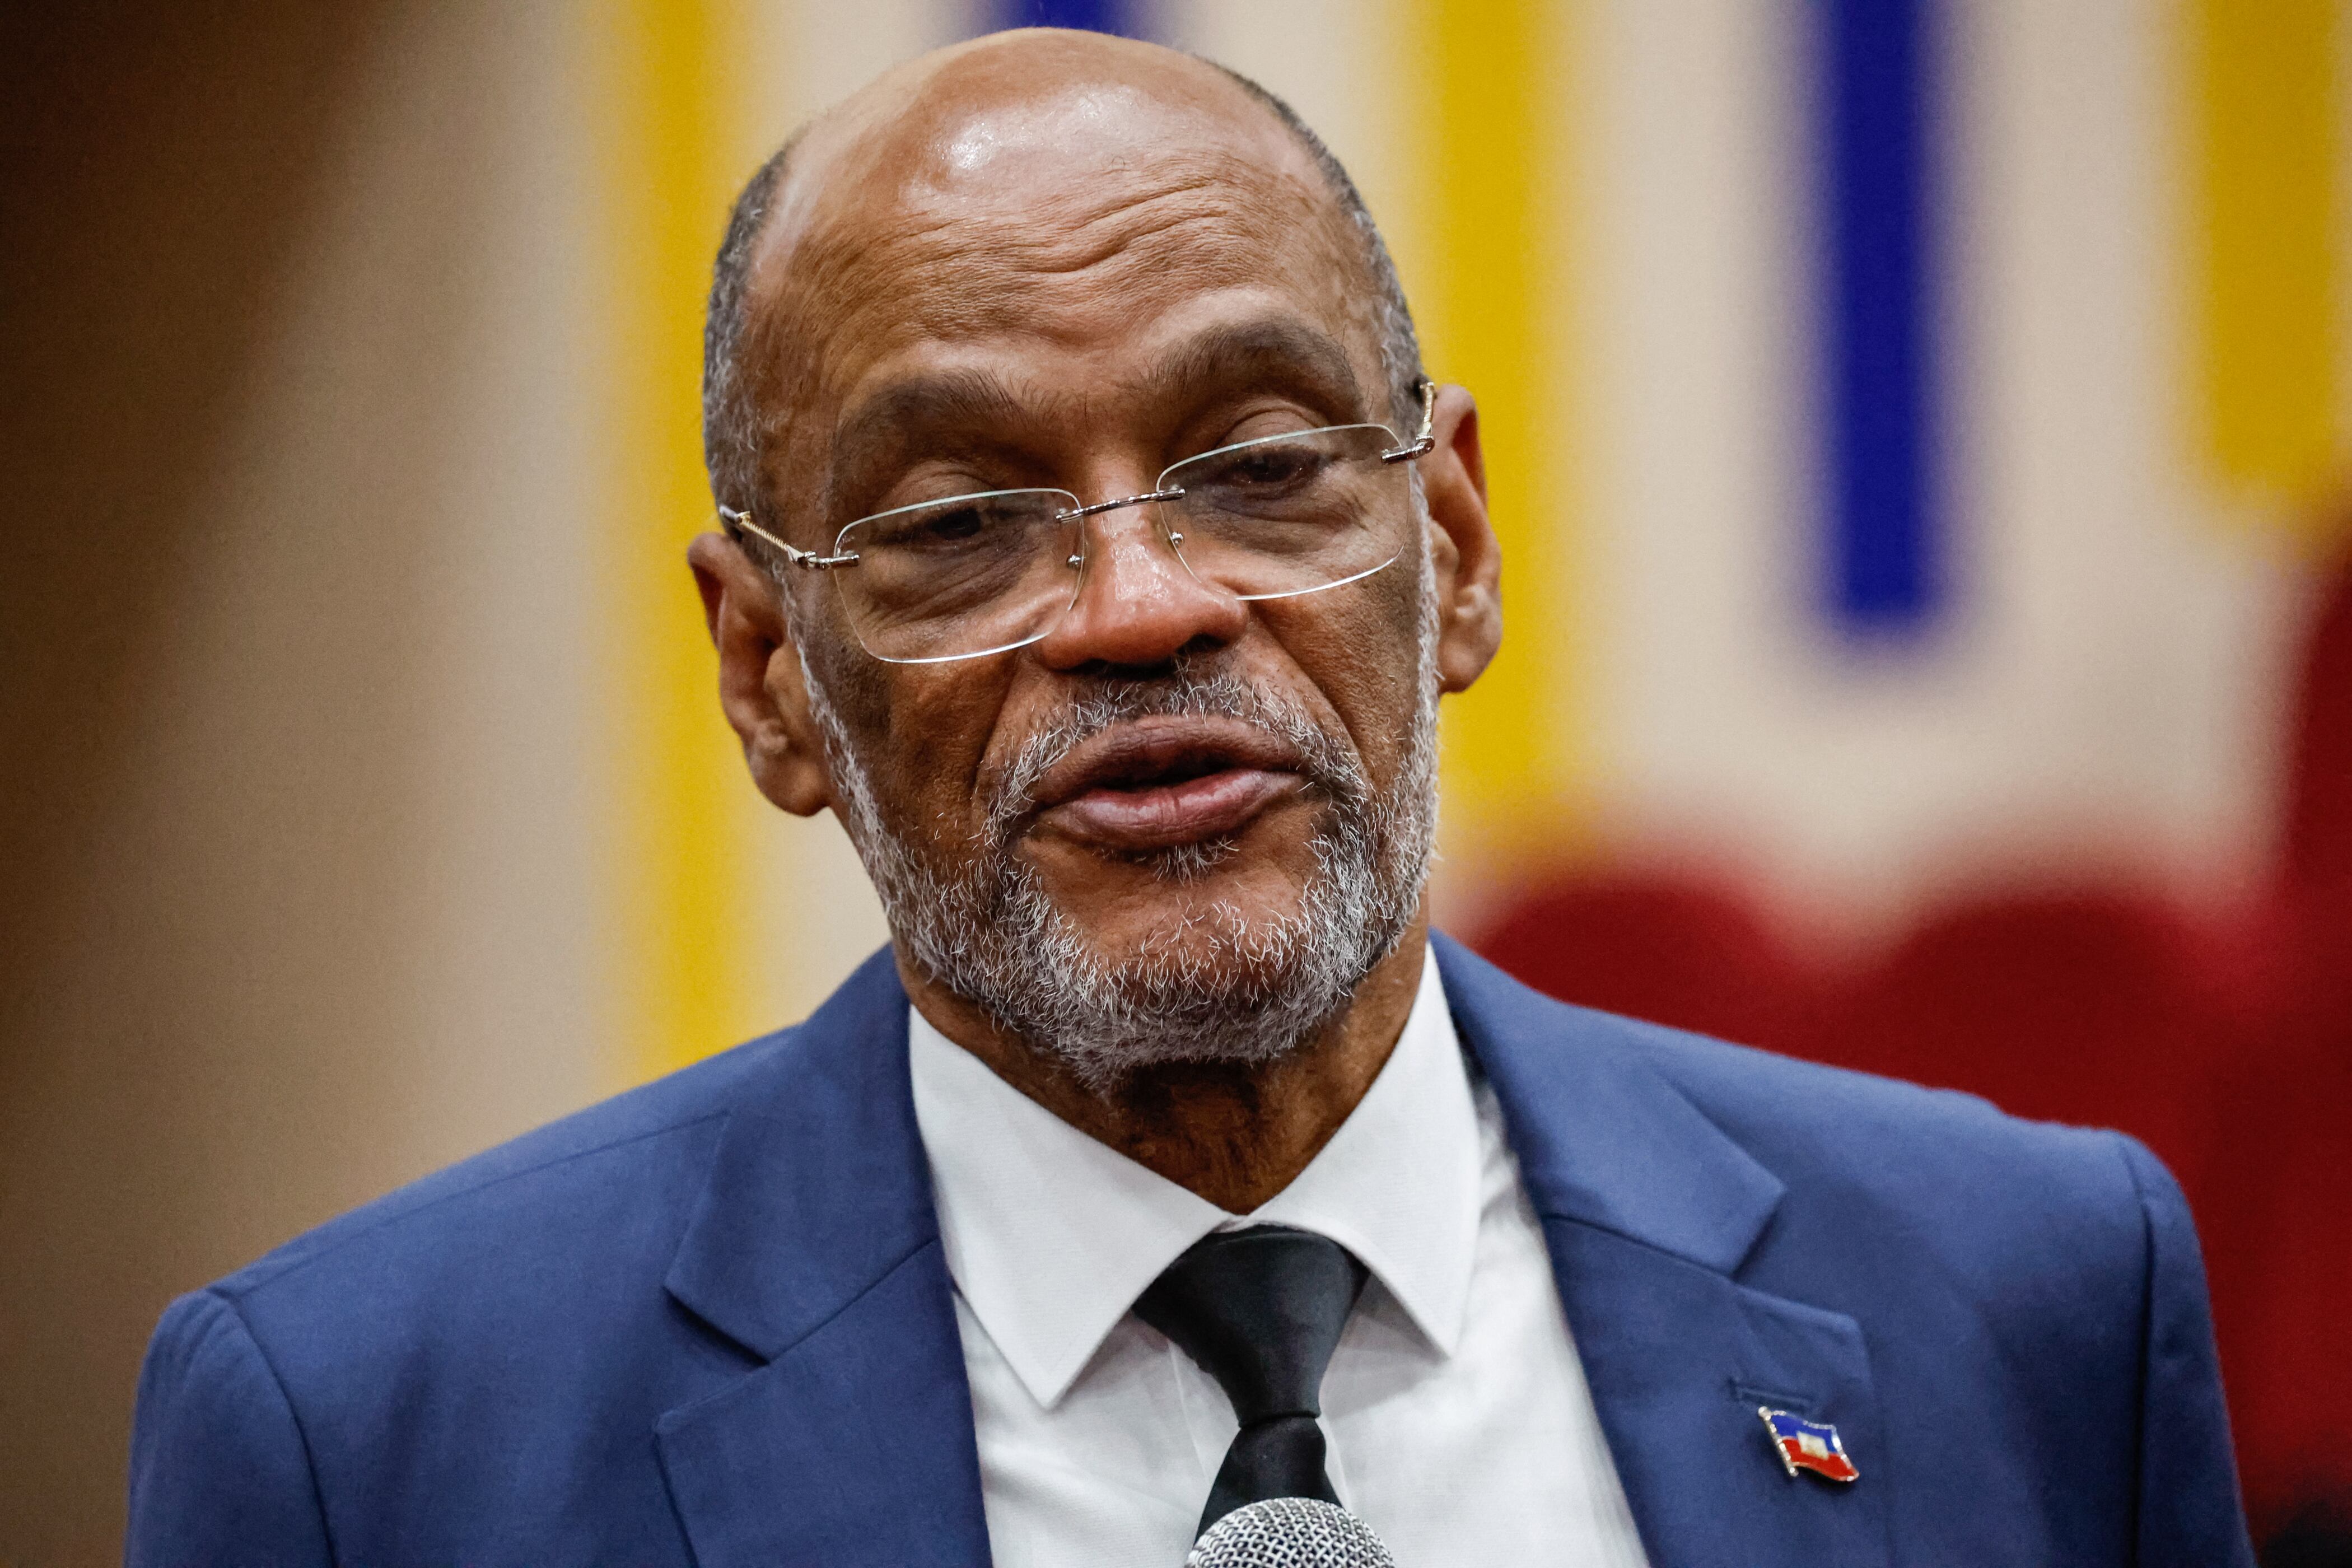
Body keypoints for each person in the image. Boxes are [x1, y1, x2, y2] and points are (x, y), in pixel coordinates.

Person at [126, 28, 2253, 1567]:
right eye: (961, 517)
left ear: (1457, 548)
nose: (1143, 608)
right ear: (771, 676)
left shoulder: (2027, 1299)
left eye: (1258, 465)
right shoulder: (371, 1444)